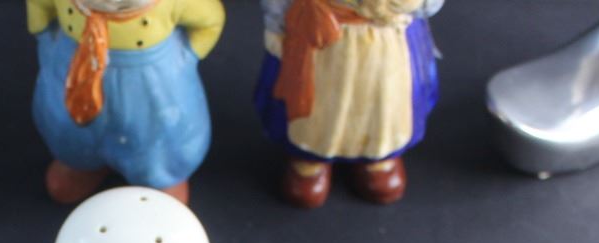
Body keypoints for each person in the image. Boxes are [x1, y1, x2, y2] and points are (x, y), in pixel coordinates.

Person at [28, 0, 226, 204]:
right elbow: (39, 5)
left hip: (150, 87)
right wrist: (45, 39)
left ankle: (160, 179)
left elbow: (210, 21)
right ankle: (79, 163)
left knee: (157, 141)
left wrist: (186, 58)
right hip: (77, 67)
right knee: (70, 130)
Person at [253, 0, 440, 207]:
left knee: (383, 101)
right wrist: (277, 23)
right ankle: (310, 159)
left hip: (387, 37)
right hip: (321, 32)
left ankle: (378, 154)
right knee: (320, 107)